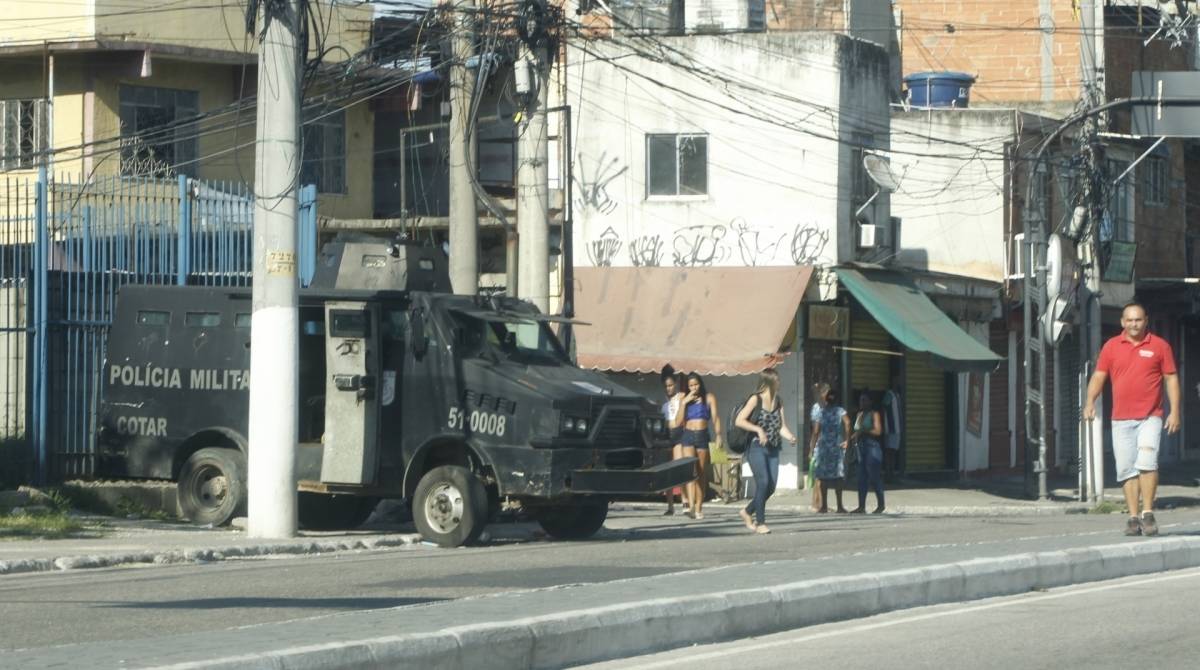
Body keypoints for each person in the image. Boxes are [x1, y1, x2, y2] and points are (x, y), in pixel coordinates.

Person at [1083, 302, 1180, 537]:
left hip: (1150, 417)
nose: (1134, 324)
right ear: (1122, 322)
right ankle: (1133, 517)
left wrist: (1174, 411)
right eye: (1129, 320)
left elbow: (1171, 380)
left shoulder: (1159, 346)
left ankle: (1148, 513)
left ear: (1146, 320)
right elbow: (1099, 376)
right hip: (1120, 420)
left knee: (1147, 462)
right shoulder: (1111, 347)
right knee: (1126, 470)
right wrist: (1089, 402)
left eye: (1138, 320)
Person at [736, 369, 799, 534]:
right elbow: (739, 420)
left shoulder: (778, 401)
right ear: (769, 382)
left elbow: (781, 426)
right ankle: (761, 522)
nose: (780, 383)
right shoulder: (755, 399)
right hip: (756, 447)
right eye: (777, 380)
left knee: (770, 487)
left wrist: (790, 436)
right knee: (763, 483)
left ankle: (747, 511)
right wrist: (758, 429)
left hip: (773, 447)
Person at [673, 372, 720, 519]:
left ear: (701, 384)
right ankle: (691, 506)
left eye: (696, 384)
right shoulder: (684, 398)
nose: (694, 388)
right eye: (691, 385)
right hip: (687, 435)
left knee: (700, 472)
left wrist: (719, 435)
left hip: (701, 435)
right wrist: (684, 402)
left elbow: (716, 418)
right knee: (690, 472)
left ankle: (699, 507)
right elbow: (678, 421)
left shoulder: (709, 397)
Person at [810, 383, 850, 513]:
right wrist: (847, 439)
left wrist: (812, 447)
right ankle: (840, 506)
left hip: (823, 448)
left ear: (826, 399)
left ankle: (824, 506)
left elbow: (816, 431)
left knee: (823, 477)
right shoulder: (840, 411)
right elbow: (848, 423)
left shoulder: (821, 412)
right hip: (836, 447)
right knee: (838, 476)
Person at [850, 390, 885, 514]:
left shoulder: (874, 414)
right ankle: (861, 506)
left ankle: (881, 504)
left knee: (874, 476)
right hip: (861, 447)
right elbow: (857, 430)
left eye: (864, 400)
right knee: (861, 477)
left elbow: (878, 431)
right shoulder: (859, 414)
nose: (862, 402)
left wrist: (864, 431)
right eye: (860, 400)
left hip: (872, 447)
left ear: (870, 401)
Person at [660, 366, 687, 515]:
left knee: (679, 468)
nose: (668, 388)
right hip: (666, 436)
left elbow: (678, 421)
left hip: (678, 434)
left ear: (675, 384)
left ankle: (684, 501)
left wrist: (670, 423)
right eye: (666, 386)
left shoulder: (681, 397)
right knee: (667, 471)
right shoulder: (664, 403)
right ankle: (670, 506)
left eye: (670, 385)